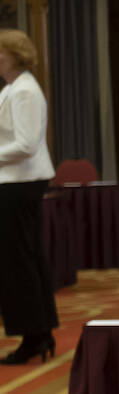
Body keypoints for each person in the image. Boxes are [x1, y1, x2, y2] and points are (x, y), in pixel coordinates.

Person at [0, 29, 59, 365]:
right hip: (15, 182)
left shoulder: (24, 90)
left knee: (18, 262)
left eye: (1, 52)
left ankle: (33, 336)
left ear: (15, 55)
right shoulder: (13, 88)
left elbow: (26, 144)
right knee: (25, 259)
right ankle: (39, 332)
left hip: (19, 183)